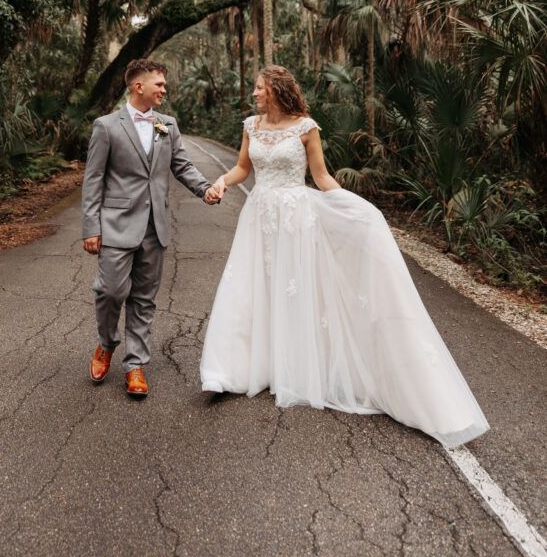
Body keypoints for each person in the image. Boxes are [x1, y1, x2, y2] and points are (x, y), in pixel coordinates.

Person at [200, 65, 489, 446]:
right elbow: (241, 168)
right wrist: (220, 181)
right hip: (258, 216)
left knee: (294, 290)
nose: (253, 94)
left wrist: (355, 208)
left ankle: (296, 365)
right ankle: (234, 369)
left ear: (277, 91)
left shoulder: (306, 127)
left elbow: (320, 177)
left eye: (259, 88)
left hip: (296, 218)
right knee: (252, 288)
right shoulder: (251, 125)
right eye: (255, 88)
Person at [82, 59, 221, 396]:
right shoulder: (106, 126)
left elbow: (182, 165)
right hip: (116, 224)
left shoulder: (167, 125)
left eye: (164, 84)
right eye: (159, 84)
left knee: (144, 299)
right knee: (110, 291)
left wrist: (205, 189)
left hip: (155, 226)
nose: (164, 90)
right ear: (137, 86)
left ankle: (136, 365)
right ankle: (106, 343)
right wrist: (91, 226)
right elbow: (93, 179)